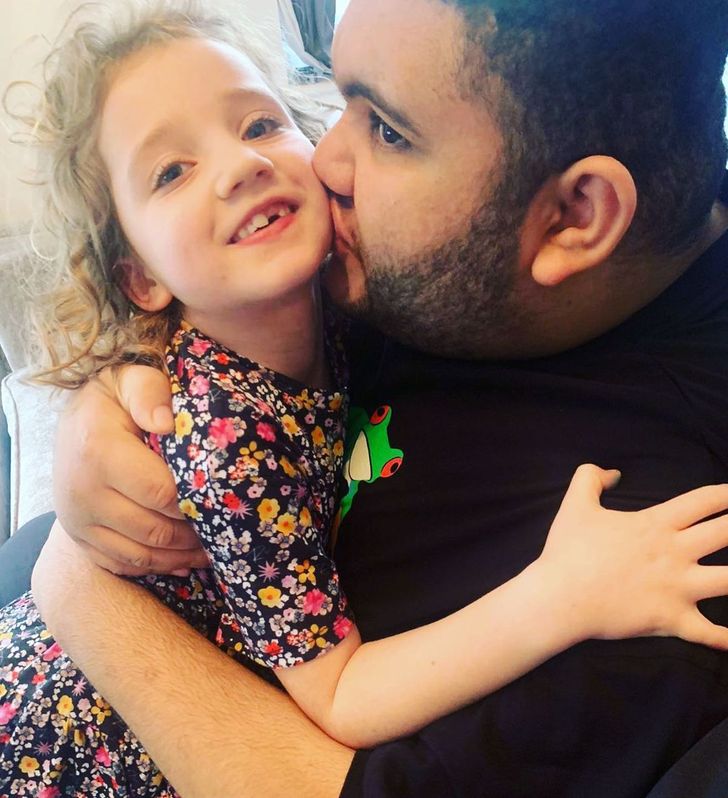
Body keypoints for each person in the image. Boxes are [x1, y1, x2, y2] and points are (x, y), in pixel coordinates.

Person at [8, 2, 727, 794]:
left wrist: (73, 582)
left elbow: (339, 723)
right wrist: (106, 402)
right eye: (334, 98)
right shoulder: (331, 298)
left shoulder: (669, 542)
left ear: (572, 216)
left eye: (387, 129)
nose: (321, 160)